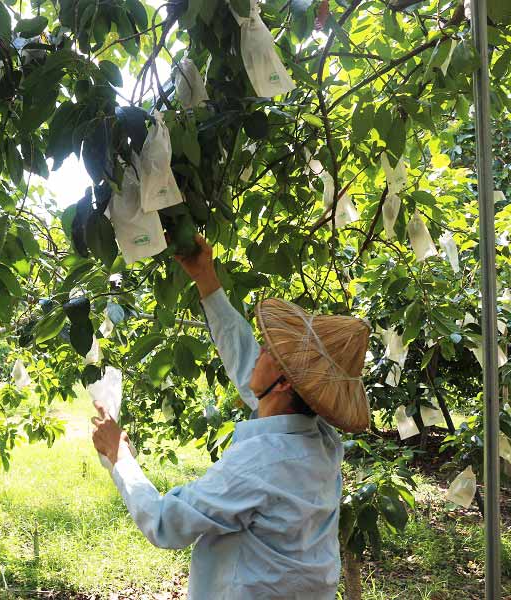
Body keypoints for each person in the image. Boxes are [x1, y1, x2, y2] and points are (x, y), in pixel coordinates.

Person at [92, 235, 371, 599]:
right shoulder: (319, 438)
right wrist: (205, 277)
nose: (259, 352)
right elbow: (245, 360)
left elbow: (166, 523)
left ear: (285, 382)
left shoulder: (262, 463)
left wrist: (119, 457)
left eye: (268, 350)